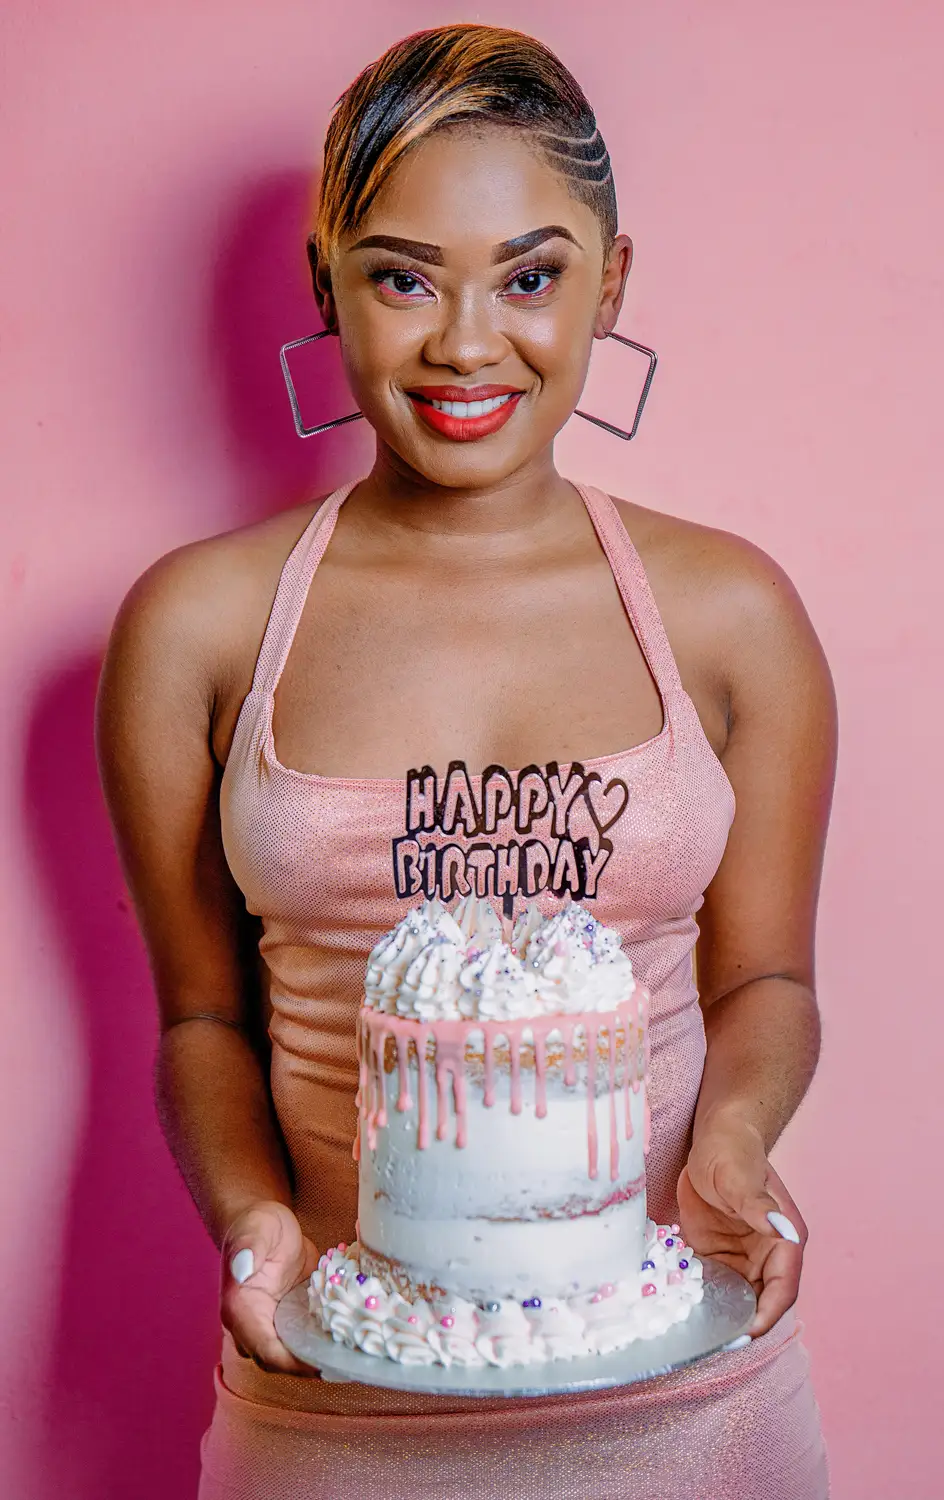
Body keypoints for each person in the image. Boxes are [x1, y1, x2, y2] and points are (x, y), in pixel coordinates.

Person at [97, 23, 835, 1499]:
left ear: (612, 281)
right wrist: (254, 1225)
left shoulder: (734, 614)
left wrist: (737, 1145)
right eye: (401, 276)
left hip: (682, 1394)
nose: (466, 343)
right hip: (332, 1399)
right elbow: (200, 1018)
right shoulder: (199, 625)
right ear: (328, 284)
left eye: (534, 275)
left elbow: (766, 983)